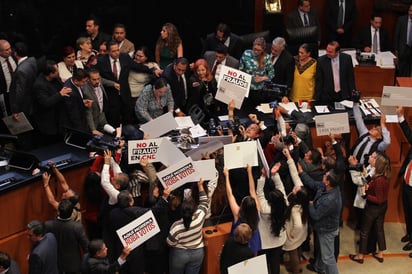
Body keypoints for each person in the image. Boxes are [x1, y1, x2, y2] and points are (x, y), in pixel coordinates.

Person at [298, 167, 343, 274]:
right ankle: (319, 267)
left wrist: (310, 205)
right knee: (324, 252)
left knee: (328, 257)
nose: (323, 175)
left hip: (327, 230)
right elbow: (313, 184)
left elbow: (316, 215)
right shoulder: (329, 187)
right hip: (324, 227)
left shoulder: (329, 200)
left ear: (328, 182)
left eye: (325, 175)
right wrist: (302, 173)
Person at [349, 151, 391, 264]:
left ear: (378, 163)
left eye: (373, 157)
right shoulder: (382, 175)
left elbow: (378, 199)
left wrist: (365, 195)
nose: (370, 158)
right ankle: (380, 253)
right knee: (379, 229)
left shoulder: (379, 180)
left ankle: (360, 255)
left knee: (364, 231)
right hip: (382, 207)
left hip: (373, 208)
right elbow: (368, 180)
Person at [167, 178, 209, 274]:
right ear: (194, 209)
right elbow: (204, 202)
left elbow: (170, 243)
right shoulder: (200, 216)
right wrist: (200, 186)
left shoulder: (176, 227)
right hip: (198, 253)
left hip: (179, 255)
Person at [255, 163, 287, 274]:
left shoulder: (265, 209)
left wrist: (263, 176)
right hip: (279, 240)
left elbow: (259, 194)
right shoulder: (284, 204)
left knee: (262, 264)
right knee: (275, 264)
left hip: (265, 241)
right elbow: (281, 189)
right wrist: (275, 175)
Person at [32, 59, 72, 147]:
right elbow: (45, 102)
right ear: (50, 73)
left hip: (59, 119)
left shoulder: (55, 78)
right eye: (56, 71)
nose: (58, 72)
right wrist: (60, 94)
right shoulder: (39, 85)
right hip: (48, 122)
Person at [224, 165, 261, 255]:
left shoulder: (237, 214)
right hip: (253, 241)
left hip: (238, 244)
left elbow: (230, 195)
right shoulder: (257, 210)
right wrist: (249, 172)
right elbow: (252, 191)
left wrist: (226, 176)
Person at [44, 199, 89, 274]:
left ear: (58, 211)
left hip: (55, 264)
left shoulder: (48, 225)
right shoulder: (77, 227)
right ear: (72, 213)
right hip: (73, 265)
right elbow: (86, 247)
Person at [8, 42, 38, 150]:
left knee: (24, 134)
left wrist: (16, 110)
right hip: (32, 102)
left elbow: (19, 92)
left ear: (15, 53)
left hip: (24, 105)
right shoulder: (33, 61)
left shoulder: (21, 70)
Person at [239, 36, 274, 110]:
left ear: (263, 49)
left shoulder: (267, 58)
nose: (256, 52)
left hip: (259, 90)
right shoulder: (246, 53)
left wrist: (263, 78)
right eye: (255, 49)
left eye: (259, 50)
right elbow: (241, 69)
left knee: (258, 111)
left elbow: (272, 74)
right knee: (245, 110)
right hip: (246, 88)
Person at [396, 106, 412, 256]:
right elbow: (409, 135)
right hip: (407, 185)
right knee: (408, 212)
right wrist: (401, 116)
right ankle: (410, 234)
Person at [186, 58, 219, 123]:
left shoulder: (212, 78)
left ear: (206, 69)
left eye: (203, 70)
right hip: (199, 109)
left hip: (211, 108)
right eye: (198, 70)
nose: (201, 72)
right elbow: (193, 96)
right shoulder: (193, 80)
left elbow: (215, 92)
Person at [82, 68, 113, 136]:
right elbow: (88, 112)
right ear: (88, 79)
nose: (97, 81)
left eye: (98, 78)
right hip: (93, 121)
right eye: (94, 79)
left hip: (102, 116)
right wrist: (93, 129)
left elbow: (104, 81)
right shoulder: (86, 91)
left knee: (109, 134)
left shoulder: (99, 81)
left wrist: (114, 84)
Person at [61, 68, 93, 133]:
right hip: (75, 124)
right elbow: (74, 114)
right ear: (75, 80)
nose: (85, 83)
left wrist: (82, 102)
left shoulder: (71, 80)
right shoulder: (70, 93)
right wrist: (81, 130)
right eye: (83, 81)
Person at [393, 4, 412, 76]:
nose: (411, 13)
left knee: (409, 71)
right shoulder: (401, 20)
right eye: (410, 11)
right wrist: (396, 49)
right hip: (403, 49)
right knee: (400, 70)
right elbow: (396, 35)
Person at [0, 39, 17, 120]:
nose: (10, 51)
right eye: (7, 50)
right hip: (5, 93)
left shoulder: (14, 55)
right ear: (0, 52)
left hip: (17, 90)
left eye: (10, 48)